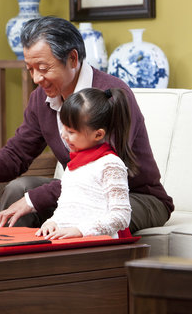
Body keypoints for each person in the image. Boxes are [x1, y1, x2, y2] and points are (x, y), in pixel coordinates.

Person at [0, 16, 173, 233]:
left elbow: (98, 169)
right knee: (19, 189)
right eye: (30, 69)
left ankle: (58, 270)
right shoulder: (41, 99)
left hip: (133, 196)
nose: (36, 78)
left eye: (43, 68)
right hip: (80, 193)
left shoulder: (111, 95)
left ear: (73, 59)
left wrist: (33, 199)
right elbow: (16, 155)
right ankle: (7, 260)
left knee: (86, 209)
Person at [35, 88, 134, 240]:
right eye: (63, 128)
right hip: (70, 240)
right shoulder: (73, 164)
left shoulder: (110, 164)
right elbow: (66, 207)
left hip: (97, 242)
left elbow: (121, 216)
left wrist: (81, 230)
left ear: (98, 134)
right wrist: (52, 221)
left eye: (71, 132)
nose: (63, 135)